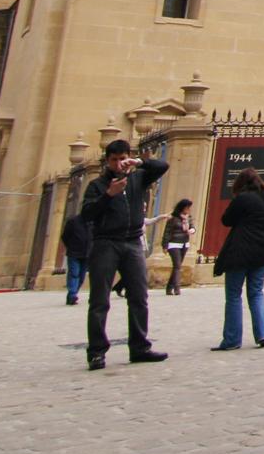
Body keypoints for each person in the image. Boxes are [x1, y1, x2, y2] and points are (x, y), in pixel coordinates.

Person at [80, 139, 169, 371]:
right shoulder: (97, 185)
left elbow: (162, 167)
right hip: (106, 242)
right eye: (115, 159)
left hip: (132, 242)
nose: (119, 163)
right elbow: (87, 215)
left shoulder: (137, 178)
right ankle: (97, 352)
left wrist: (140, 161)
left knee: (139, 297)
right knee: (100, 300)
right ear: (107, 161)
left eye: (123, 158)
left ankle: (139, 347)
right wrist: (108, 195)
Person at [211, 167, 264, 351]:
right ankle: (263, 334)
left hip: (240, 250)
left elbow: (226, 220)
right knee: (256, 292)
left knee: (233, 295)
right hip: (263, 251)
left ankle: (232, 340)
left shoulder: (243, 198)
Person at [161, 199, 195, 295]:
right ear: (182, 207)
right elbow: (167, 232)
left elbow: (193, 227)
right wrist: (165, 245)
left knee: (177, 266)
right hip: (174, 244)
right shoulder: (173, 218)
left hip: (184, 243)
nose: (188, 209)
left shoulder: (188, 218)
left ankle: (169, 287)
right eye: (187, 207)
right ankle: (177, 288)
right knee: (177, 265)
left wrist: (192, 230)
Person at [60, 212, 92, 306]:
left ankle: (73, 293)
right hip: (74, 253)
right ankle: (72, 295)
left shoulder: (92, 222)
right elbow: (65, 236)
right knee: (74, 273)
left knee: (81, 276)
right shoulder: (73, 221)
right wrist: (70, 246)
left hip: (86, 254)